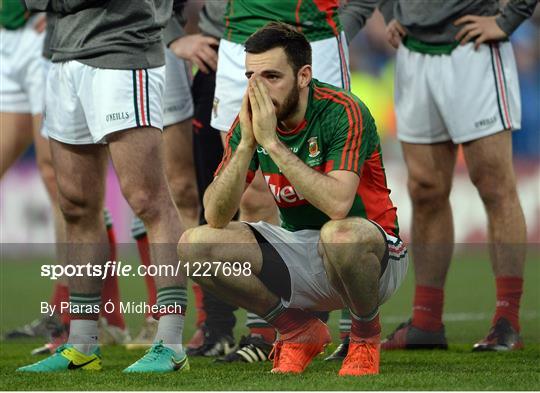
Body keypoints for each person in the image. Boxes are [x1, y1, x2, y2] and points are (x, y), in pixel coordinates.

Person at [178, 22, 408, 376]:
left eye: (271, 76)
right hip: (303, 252)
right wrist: (245, 146)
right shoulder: (251, 120)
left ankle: (364, 337)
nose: (258, 89)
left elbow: (337, 205)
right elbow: (215, 215)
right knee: (195, 245)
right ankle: (295, 328)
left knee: (340, 234)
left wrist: (272, 144)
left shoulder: (342, 111)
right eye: (251, 77)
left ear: (303, 76)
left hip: (373, 255)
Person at [17, 0, 189, 373]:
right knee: (76, 204)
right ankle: (81, 345)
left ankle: (170, 341)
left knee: (148, 198)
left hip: (123, 47)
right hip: (63, 54)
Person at [379, 0, 538, 351]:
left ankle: (507, 321)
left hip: (473, 48)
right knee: (425, 188)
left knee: (494, 184)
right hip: (413, 50)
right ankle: (426, 322)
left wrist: (510, 17)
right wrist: (390, 11)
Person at [1, 5, 128, 350]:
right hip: (5, 33)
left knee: (62, 178)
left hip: (46, 33)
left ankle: (81, 309)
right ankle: (90, 312)